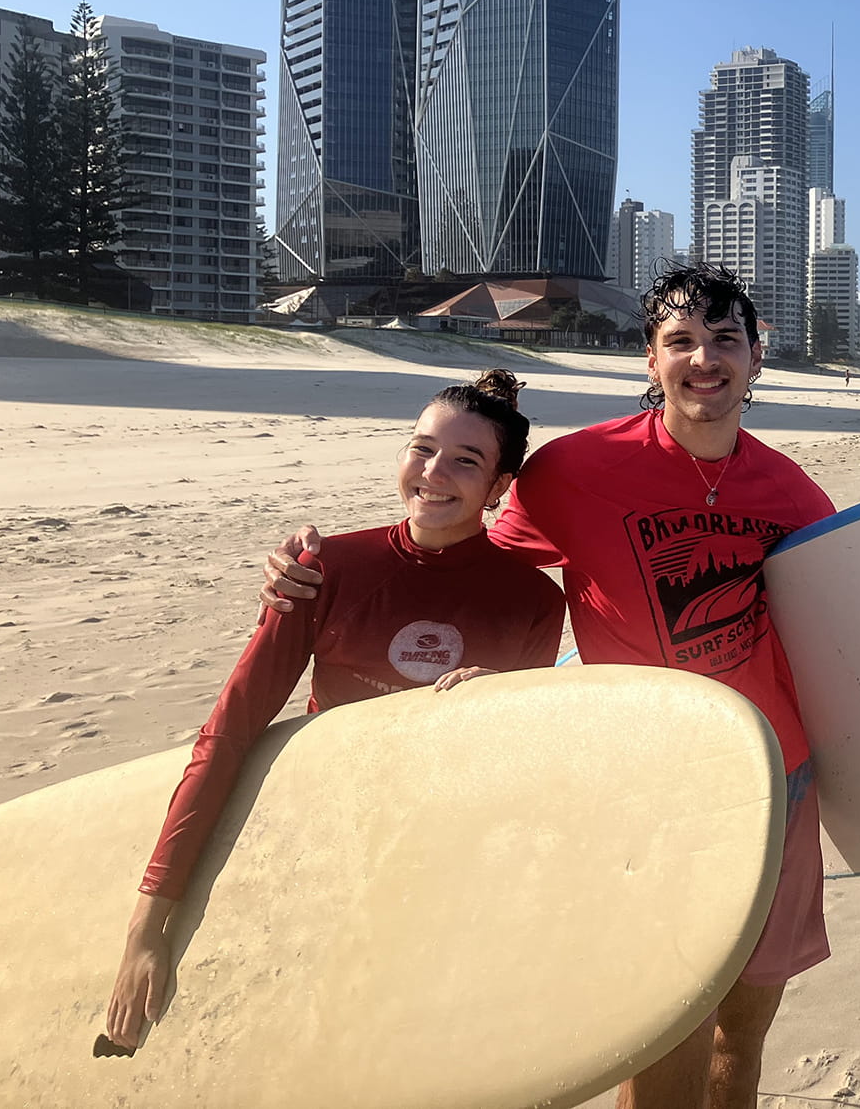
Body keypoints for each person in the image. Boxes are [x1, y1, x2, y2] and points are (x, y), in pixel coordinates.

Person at [259, 266, 860, 1109]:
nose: (705, 358)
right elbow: (469, 564)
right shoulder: (576, 470)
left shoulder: (795, 495)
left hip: (780, 774)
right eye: (681, 341)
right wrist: (322, 573)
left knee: (744, 1030)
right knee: (662, 1030)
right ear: (651, 360)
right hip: (647, 779)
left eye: (725, 339)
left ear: (755, 358)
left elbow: (838, 651)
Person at [104, 371, 566, 1053]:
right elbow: (229, 733)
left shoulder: (533, 602)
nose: (433, 473)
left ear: (499, 487)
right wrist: (146, 931)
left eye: (466, 461)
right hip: (320, 836)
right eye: (422, 449)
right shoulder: (327, 568)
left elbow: (517, 779)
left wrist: (504, 704)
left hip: (439, 856)